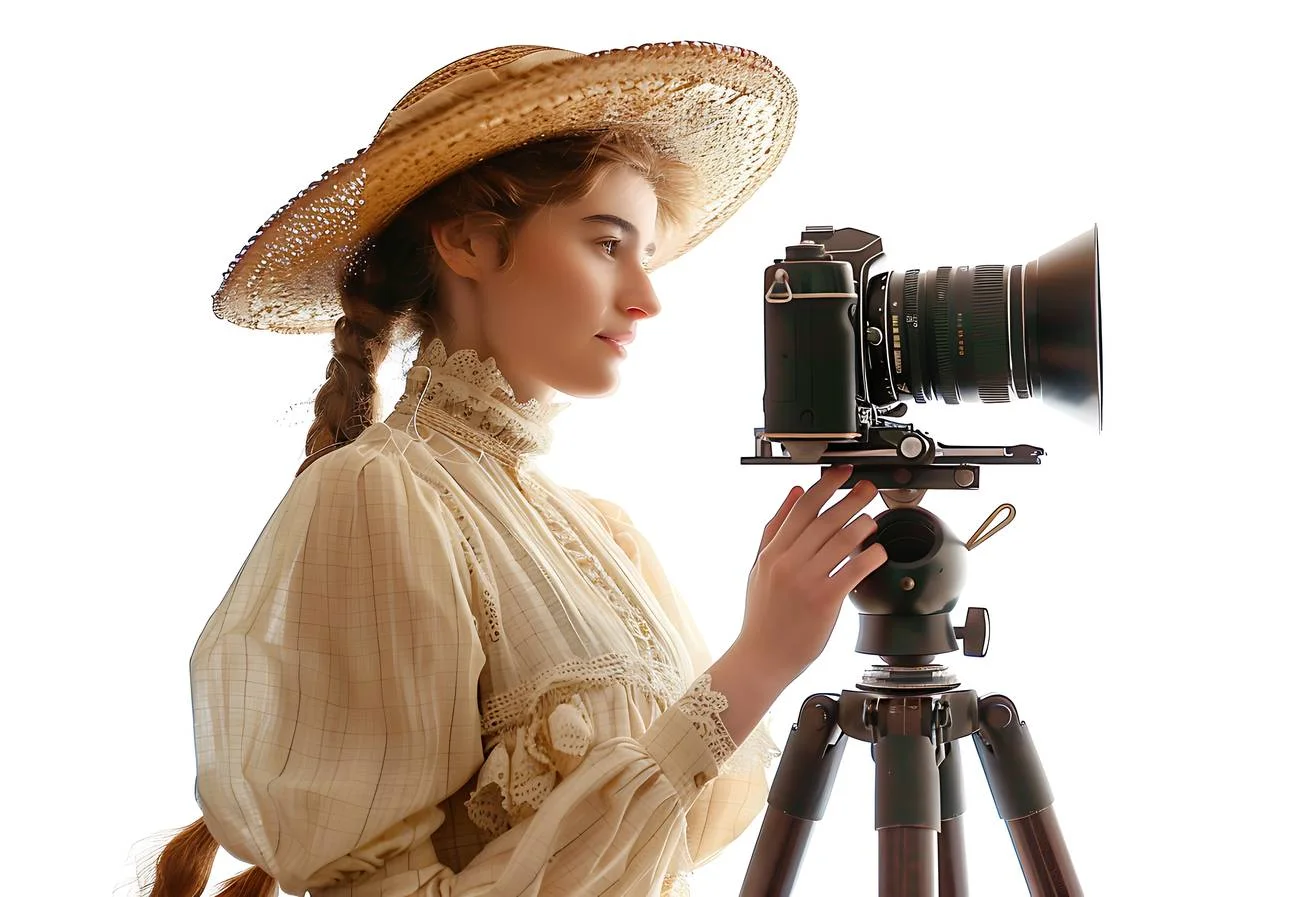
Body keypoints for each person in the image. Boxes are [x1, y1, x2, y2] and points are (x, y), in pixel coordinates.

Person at [140, 41, 889, 897]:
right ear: (468, 242)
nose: (647, 294)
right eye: (608, 244)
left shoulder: (601, 531)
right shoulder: (379, 495)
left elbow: (660, 846)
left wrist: (763, 648)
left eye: (645, 251)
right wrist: (756, 663)